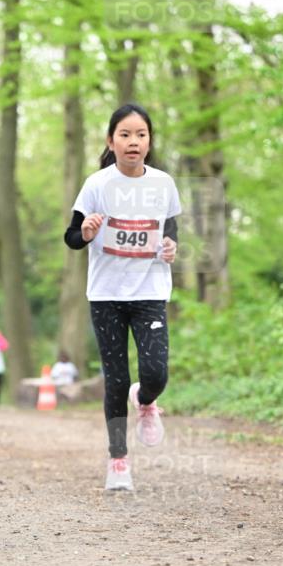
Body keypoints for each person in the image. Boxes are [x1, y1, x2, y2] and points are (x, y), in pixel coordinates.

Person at [64, 102, 180, 493]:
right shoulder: (97, 184)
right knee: (116, 379)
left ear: (149, 142)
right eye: (125, 135)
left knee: (155, 373)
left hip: (150, 290)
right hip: (107, 295)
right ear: (111, 141)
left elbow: (171, 231)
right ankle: (118, 460)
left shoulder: (163, 184)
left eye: (141, 135)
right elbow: (72, 238)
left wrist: (170, 246)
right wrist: (89, 232)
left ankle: (146, 400)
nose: (133, 142)